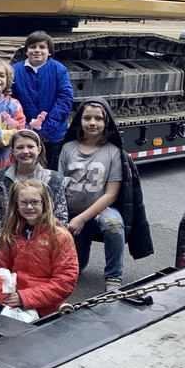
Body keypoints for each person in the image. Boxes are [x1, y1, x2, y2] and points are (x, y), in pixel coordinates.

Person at [57, 98, 153, 290]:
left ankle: (113, 278)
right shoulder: (67, 149)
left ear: (106, 122)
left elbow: (111, 194)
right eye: (87, 118)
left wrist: (83, 219)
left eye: (98, 119)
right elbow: (58, 185)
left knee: (114, 225)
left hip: (101, 211)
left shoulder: (114, 152)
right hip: (71, 214)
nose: (93, 123)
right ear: (79, 121)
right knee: (77, 268)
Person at [0, 179, 79, 316]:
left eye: (35, 202)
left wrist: (23, 297)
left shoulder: (59, 236)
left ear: (44, 203)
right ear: (16, 205)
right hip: (10, 297)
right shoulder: (11, 231)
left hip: (43, 304)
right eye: (24, 202)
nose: (29, 207)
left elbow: (65, 281)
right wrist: (3, 294)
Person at [0, 129, 68, 251]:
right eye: (20, 147)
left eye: (30, 147)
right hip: (7, 242)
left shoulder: (54, 180)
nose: (25, 151)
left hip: (44, 245)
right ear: (12, 151)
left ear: (39, 149)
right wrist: (0, 250)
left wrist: (47, 249)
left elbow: (60, 218)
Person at [10, 31, 74, 170]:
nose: (37, 50)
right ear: (26, 51)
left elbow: (64, 100)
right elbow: (11, 102)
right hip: (23, 136)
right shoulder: (15, 71)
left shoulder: (58, 70)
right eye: (33, 47)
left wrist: (45, 131)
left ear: (49, 52)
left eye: (42, 47)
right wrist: (26, 129)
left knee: (51, 174)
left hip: (52, 137)